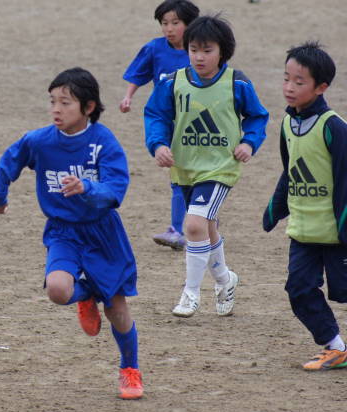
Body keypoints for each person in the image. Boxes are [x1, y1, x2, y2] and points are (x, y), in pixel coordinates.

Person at [0, 67, 142, 399]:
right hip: (63, 231)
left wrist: (87, 187)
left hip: (103, 233)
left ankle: (130, 369)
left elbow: (116, 188)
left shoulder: (103, 142)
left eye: (65, 103)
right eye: (52, 101)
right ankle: (85, 295)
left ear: (88, 107)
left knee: (116, 310)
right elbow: (9, 160)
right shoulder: (40, 141)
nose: (56, 109)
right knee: (57, 290)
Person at [144, 15, 268, 317]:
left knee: (193, 225)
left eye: (207, 50)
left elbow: (257, 116)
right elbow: (156, 115)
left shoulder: (237, 82)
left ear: (223, 51)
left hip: (220, 168)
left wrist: (249, 142)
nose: (199, 57)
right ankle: (225, 280)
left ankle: (190, 293)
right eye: (194, 50)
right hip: (185, 167)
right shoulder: (172, 82)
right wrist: (158, 144)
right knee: (207, 227)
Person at [263, 41, 347, 370]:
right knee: (298, 289)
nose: (289, 87)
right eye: (287, 79)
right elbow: (291, 170)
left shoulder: (334, 127)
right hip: (303, 230)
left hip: (336, 232)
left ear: (321, 87)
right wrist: (275, 208)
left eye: (299, 82)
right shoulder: (288, 124)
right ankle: (335, 347)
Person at [120, 0, 200, 250]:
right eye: (164, 23)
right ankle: (182, 227)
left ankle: (197, 223)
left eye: (175, 23)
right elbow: (139, 74)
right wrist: (128, 96)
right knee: (179, 175)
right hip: (168, 124)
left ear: (190, 24)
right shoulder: (155, 49)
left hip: (197, 125)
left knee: (196, 176)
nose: (169, 28)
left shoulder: (200, 53)